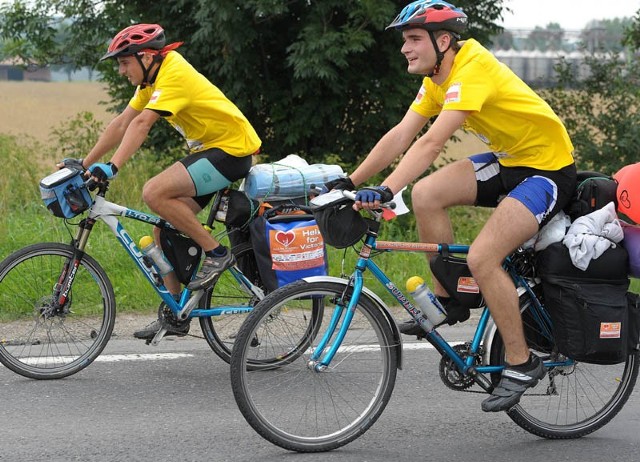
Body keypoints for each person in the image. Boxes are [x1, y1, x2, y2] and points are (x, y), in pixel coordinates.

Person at [324, 1, 576, 412]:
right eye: (405, 40)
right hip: (510, 162)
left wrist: (386, 191)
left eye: (413, 39)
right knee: (425, 195)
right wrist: (351, 181)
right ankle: (450, 300)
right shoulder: (437, 76)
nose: (405, 48)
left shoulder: (471, 68)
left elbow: (431, 142)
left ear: (444, 41)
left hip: (547, 172)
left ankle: (521, 361)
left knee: (483, 257)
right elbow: (402, 134)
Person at [65, 24, 262, 340]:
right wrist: (84, 164)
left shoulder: (174, 72)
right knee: (164, 230)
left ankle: (216, 254)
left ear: (144, 56)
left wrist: (112, 167)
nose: (120, 70)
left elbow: (142, 124)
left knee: (153, 191)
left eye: (123, 62)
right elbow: (121, 123)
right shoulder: (150, 80)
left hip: (231, 151)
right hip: (212, 153)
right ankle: (177, 314)